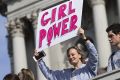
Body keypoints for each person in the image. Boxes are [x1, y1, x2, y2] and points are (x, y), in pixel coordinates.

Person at [34, 27, 98, 80]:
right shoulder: (66, 74)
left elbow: (94, 55)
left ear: (79, 55)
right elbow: (49, 75)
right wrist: (39, 59)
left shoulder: (89, 68)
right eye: (68, 56)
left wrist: (84, 38)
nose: (70, 57)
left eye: (73, 54)